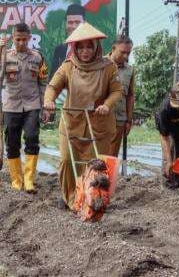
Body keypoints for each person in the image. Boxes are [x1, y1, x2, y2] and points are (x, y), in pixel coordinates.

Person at [43, 22, 122, 210]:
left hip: (99, 123)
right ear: (75, 49)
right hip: (72, 122)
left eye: (89, 47)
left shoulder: (108, 66)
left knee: (96, 165)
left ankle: (92, 200)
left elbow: (117, 92)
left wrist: (106, 105)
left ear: (96, 47)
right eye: (81, 47)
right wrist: (49, 101)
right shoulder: (68, 66)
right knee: (66, 161)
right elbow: (53, 86)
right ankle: (71, 198)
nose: (85, 51)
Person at [0, 23, 50, 193]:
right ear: (12, 39)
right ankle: (17, 180)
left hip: (32, 105)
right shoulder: (5, 55)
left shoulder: (37, 57)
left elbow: (43, 82)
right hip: (11, 106)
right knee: (12, 143)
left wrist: (44, 106)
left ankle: (29, 180)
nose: (21, 43)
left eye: (24, 39)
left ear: (30, 38)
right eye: (18, 39)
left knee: (32, 138)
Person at [106, 35, 135, 157]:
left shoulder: (130, 70)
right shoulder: (100, 65)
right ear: (113, 48)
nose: (126, 56)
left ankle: (108, 177)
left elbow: (130, 95)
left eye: (128, 53)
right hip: (100, 119)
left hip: (119, 120)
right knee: (97, 154)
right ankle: (93, 176)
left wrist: (129, 120)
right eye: (122, 52)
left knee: (112, 156)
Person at [49, 4, 86, 79]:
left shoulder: (93, 49)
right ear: (65, 24)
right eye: (70, 22)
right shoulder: (59, 49)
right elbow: (52, 78)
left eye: (77, 22)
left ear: (84, 23)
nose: (74, 26)